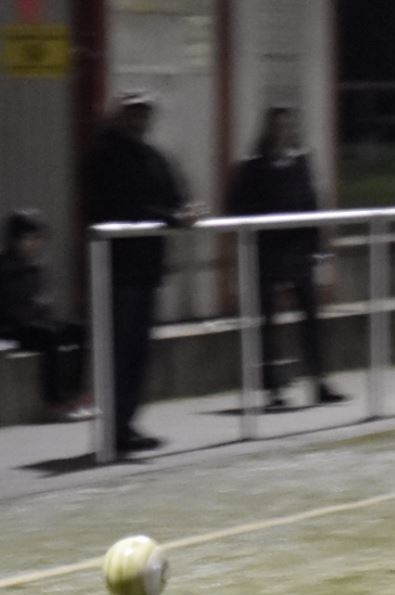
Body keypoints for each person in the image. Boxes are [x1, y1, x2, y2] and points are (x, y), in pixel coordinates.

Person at [84, 89, 199, 454]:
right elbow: (122, 205)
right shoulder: (105, 156)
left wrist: (184, 211)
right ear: (120, 115)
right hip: (118, 270)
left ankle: (127, 423)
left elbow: (175, 194)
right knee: (119, 351)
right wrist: (170, 217)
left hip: (147, 268)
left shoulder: (153, 156)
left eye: (144, 113)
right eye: (134, 112)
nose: (140, 119)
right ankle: (114, 428)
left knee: (137, 353)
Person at [228, 107, 348, 409]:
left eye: (288, 126)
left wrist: (318, 248)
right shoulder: (253, 167)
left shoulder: (300, 163)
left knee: (311, 318)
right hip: (267, 252)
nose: (283, 131)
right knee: (267, 320)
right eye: (278, 126)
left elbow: (312, 205)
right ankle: (272, 388)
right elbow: (237, 205)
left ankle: (319, 380)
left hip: (298, 251)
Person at [0, 210, 93, 422]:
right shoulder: (5, 266)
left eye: (37, 239)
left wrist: (44, 309)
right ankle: (54, 402)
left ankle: (76, 393)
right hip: (11, 327)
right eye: (28, 239)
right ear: (15, 239)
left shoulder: (34, 265)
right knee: (51, 337)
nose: (33, 244)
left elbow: (39, 301)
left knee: (80, 330)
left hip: (34, 322)